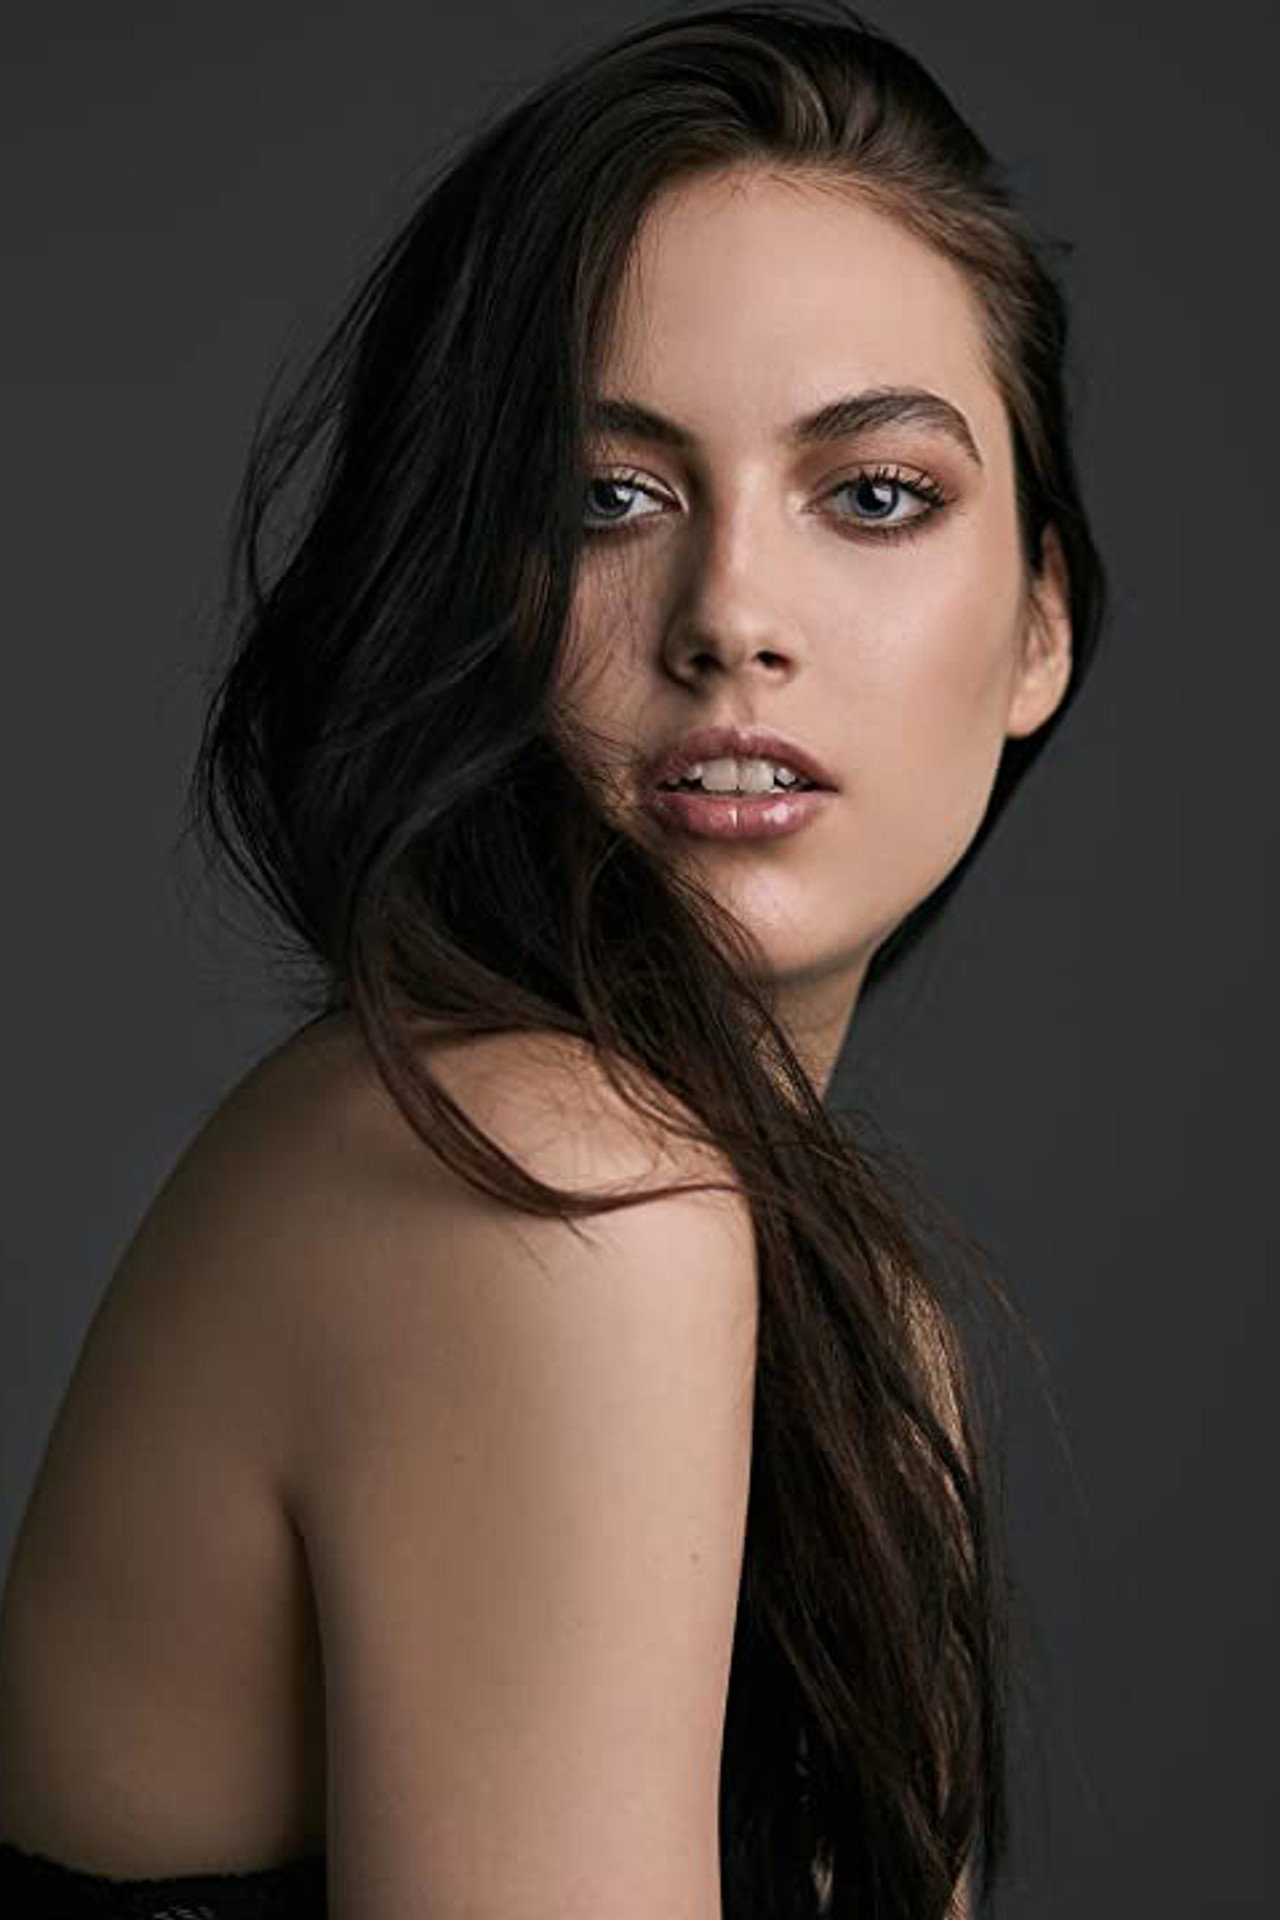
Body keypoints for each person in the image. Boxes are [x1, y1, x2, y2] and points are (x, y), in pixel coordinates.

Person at [0, 3, 1106, 1916]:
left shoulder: (870, 1334)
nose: (731, 616)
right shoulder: (554, 1181)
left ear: (1037, 631)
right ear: (469, 588)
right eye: (608, 497)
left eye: (874, 495)